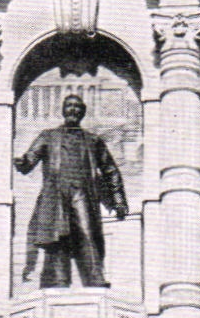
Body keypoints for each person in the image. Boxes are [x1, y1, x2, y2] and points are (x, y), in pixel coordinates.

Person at [13, 93, 128, 289]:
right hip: (56, 194)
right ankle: (59, 282)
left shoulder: (93, 140)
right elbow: (29, 161)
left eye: (77, 106)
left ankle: (95, 281)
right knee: (57, 239)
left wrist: (118, 200)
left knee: (87, 235)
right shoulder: (48, 136)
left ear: (82, 112)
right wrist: (22, 162)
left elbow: (110, 170)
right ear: (63, 110)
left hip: (82, 193)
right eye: (69, 106)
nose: (73, 109)